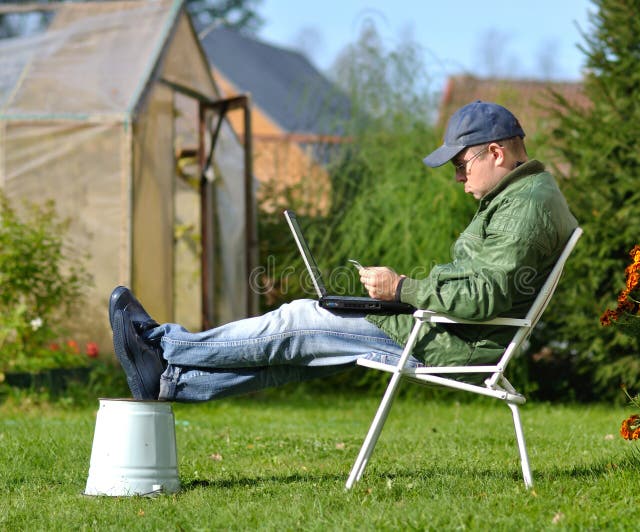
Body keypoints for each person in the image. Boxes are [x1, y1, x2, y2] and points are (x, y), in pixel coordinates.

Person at [110, 100, 578, 401]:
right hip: (447, 331)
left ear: (495, 152)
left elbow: (485, 298)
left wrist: (402, 288)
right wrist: (401, 294)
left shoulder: (524, 207)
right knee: (303, 345)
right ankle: (172, 382)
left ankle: (161, 343)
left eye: (461, 164)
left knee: (299, 322)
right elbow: (480, 287)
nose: (458, 178)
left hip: (452, 343)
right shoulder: (522, 195)